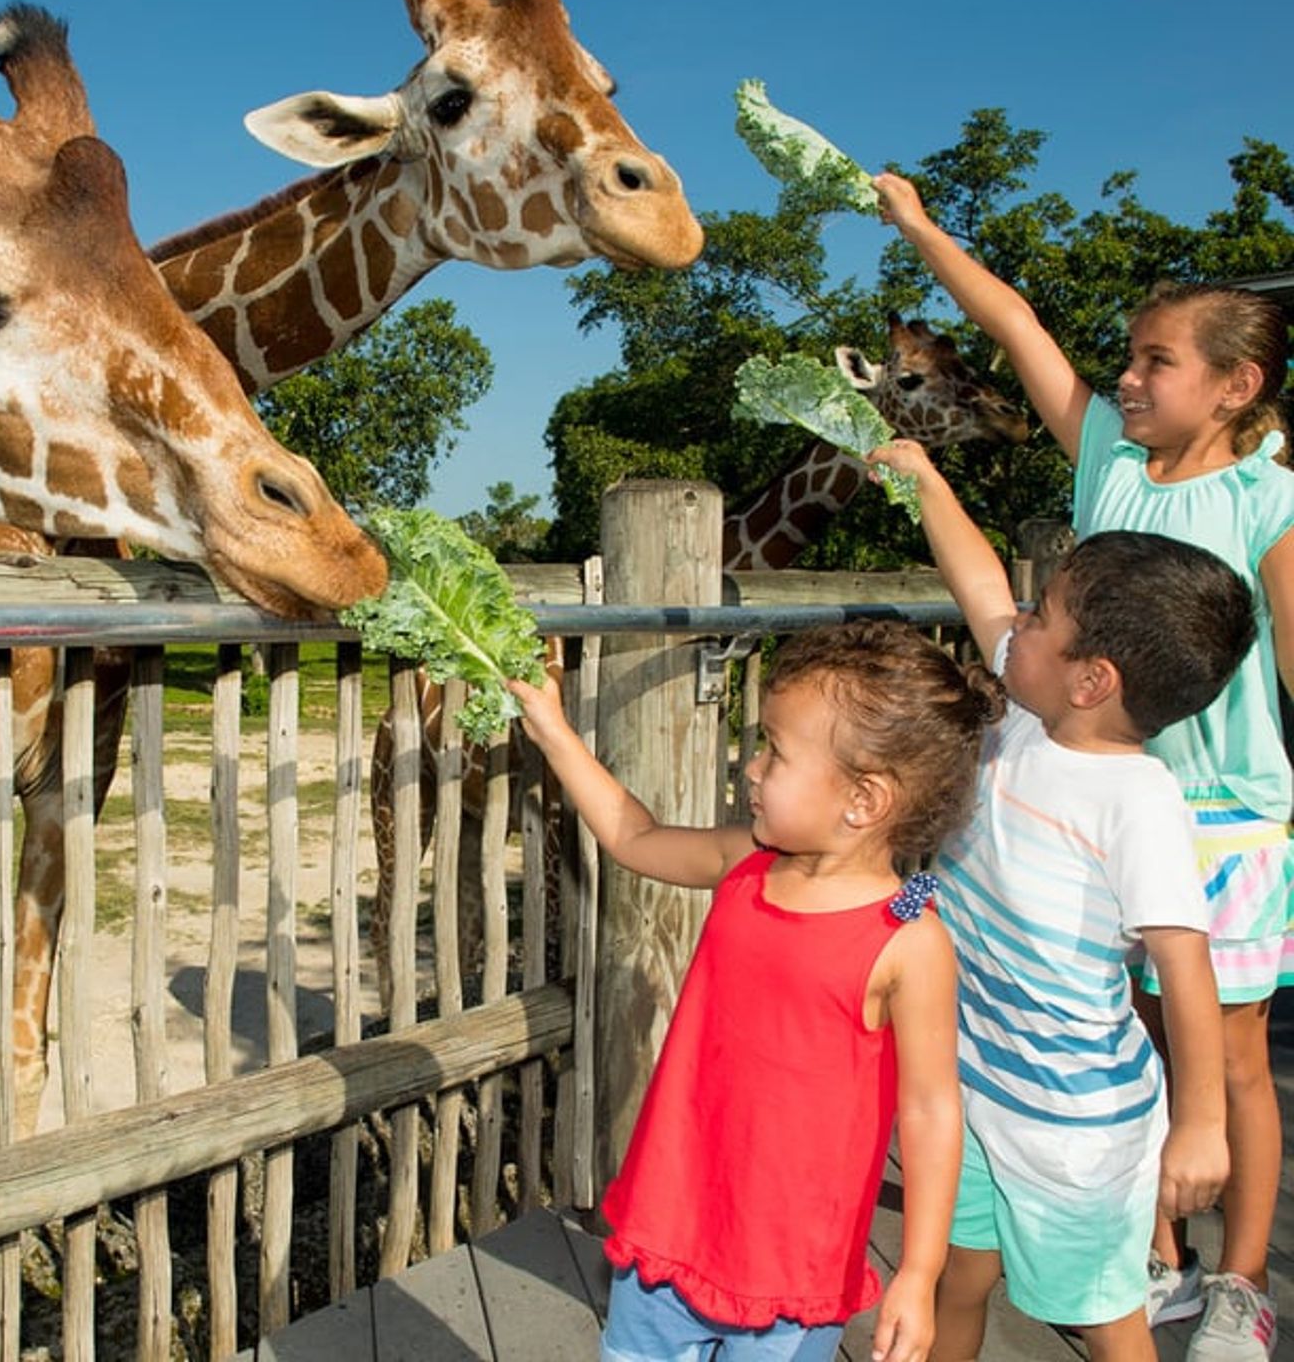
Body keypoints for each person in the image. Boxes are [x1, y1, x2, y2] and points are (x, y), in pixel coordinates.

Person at [877, 170, 1294, 1362]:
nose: (1127, 375)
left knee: (1224, 1047)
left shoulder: (1273, 497)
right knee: (1098, 1018)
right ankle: (1145, 1252)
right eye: (1131, 355)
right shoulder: (1106, 456)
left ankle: (1241, 1275)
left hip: (1212, 810)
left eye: (1158, 361)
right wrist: (919, 231)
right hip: (1074, 776)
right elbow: (1013, 324)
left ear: (1235, 384)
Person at [508, 620, 1002, 1362]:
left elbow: (932, 1110)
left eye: (776, 751)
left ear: (864, 800)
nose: (753, 768)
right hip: (673, 1226)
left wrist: (920, 1273)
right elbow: (633, 837)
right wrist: (553, 730)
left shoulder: (909, 943)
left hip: (791, 1272)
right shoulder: (748, 860)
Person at [871, 437, 1255, 1362]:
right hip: (970, 1078)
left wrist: (1201, 1125)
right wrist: (926, 480)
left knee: (1100, 1312)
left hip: (1075, 1124)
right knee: (956, 1273)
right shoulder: (1020, 714)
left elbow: (1185, 970)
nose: (1015, 625)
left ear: (1093, 681)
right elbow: (975, 579)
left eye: (1040, 616)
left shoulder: (1138, 802)